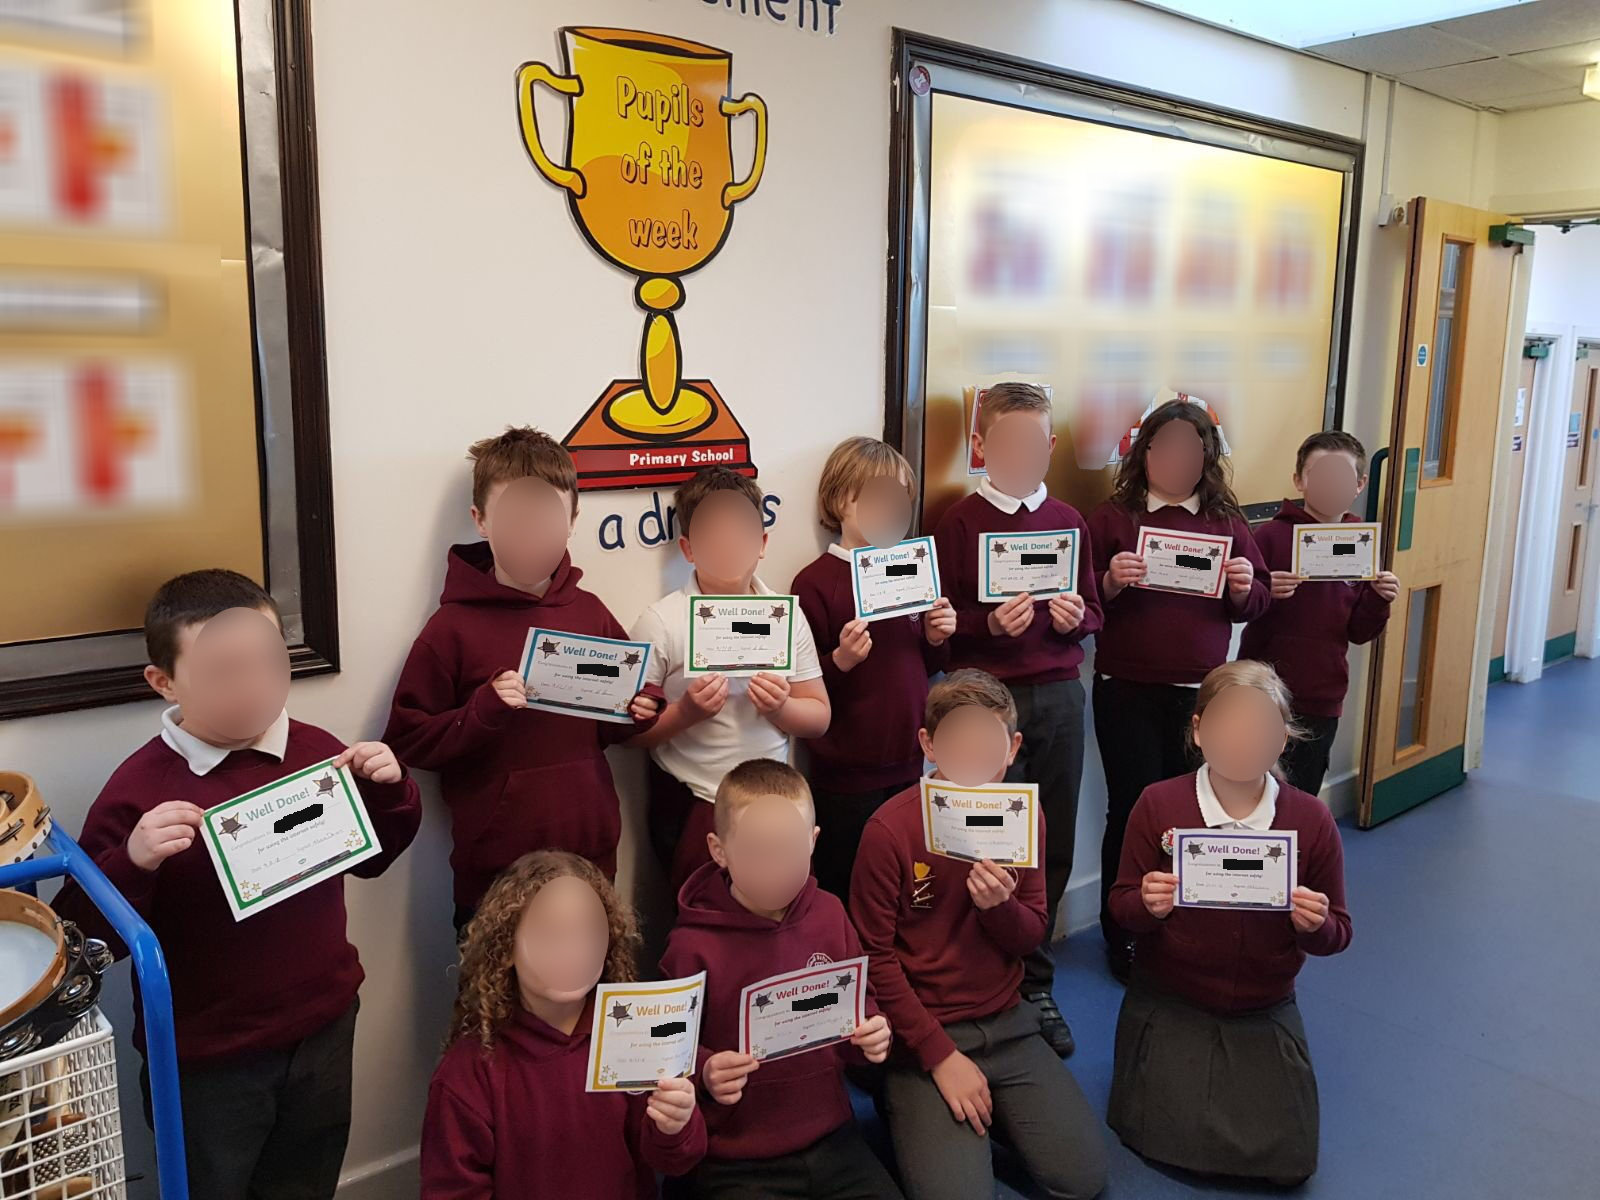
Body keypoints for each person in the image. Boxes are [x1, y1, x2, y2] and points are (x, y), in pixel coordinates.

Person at [55, 569, 421, 1200]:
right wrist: (133, 862)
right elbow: (82, 946)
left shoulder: (316, 752)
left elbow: (372, 861)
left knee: (307, 1181)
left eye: (265, 662)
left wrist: (392, 791)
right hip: (208, 1061)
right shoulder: (138, 790)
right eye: (224, 670)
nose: (253, 686)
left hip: (323, 1029)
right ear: (163, 681)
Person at [384, 426, 662, 930]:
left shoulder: (591, 612)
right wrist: (483, 711)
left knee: (589, 999)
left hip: (589, 862)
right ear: (481, 521)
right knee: (495, 1007)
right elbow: (407, 741)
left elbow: (615, 722)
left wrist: (641, 709)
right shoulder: (451, 629)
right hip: (496, 877)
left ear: (572, 520)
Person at [849, 670, 1108, 1200]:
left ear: (1011, 747)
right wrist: (938, 1056)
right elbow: (873, 958)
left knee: (1083, 1179)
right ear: (928, 744)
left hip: (1006, 1022)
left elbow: (1030, 933)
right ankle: (906, 1098)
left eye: (986, 738)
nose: (971, 752)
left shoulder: (1022, 815)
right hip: (924, 1034)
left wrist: (999, 909)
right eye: (956, 738)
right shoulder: (888, 829)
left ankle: (996, 1112)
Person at [1106, 660, 1352, 1186]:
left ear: (1284, 737)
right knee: (1161, 1135)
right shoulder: (1159, 803)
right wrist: (1146, 906)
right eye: (1227, 724)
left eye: (1260, 727)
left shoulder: (1310, 819)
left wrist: (1316, 923)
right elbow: (1121, 908)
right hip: (1172, 995)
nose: (1242, 740)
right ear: (1197, 731)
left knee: (1288, 1160)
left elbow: (1339, 934)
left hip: (1263, 1002)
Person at [931, 382, 1102, 1056]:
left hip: (1059, 697)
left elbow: (1093, 610)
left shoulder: (1068, 519)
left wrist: (1077, 618)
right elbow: (938, 629)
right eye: (1006, 441)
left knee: (1047, 843)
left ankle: (1035, 982)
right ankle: (974, 979)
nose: (1022, 452)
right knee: (976, 842)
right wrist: (985, 626)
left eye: (1035, 442)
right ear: (980, 446)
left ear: (1051, 446)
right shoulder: (959, 522)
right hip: (982, 701)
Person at [1087, 398, 1270, 981]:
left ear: (1206, 457)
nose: (1177, 459)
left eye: (1192, 448)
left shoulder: (1225, 521)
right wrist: (1109, 582)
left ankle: (1184, 921)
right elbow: (1081, 598)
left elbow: (1259, 598)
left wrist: (1243, 589)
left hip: (1199, 695)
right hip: (1126, 688)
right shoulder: (1114, 518)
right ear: (1145, 453)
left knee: (1191, 813)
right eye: (1165, 446)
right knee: (1131, 811)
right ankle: (1125, 932)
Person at [660, 759, 899, 1198]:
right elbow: (667, 1050)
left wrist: (871, 1034)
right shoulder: (690, 946)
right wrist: (706, 1070)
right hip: (737, 1158)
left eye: (789, 849)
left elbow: (859, 1008)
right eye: (757, 851)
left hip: (832, 1136)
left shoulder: (830, 914)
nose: (776, 867)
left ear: (813, 842)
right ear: (719, 850)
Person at [421, 850, 705, 1197]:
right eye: (551, 933)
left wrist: (676, 1125)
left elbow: (673, 1161)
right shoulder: (470, 1071)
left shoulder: (631, 1041)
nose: (572, 950)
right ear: (507, 946)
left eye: (587, 934)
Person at [630, 467, 829, 894]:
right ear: (687, 547)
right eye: (712, 534)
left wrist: (781, 708)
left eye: (741, 531)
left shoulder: (785, 615)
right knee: (700, 923)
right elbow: (630, 734)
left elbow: (819, 717)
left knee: (780, 914)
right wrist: (686, 713)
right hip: (695, 801)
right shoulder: (661, 621)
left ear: (762, 543)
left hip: (776, 802)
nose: (727, 544)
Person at [793, 437, 954, 898]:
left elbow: (925, 664)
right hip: (846, 775)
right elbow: (806, 680)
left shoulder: (914, 570)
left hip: (910, 762)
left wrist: (938, 638)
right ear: (842, 500)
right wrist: (840, 661)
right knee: (846, 883)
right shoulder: (815, 582)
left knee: (907, 881)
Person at [1239, 430, 1399, 796]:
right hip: (1264, 691)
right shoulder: (1270, 538)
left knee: (1302, 797)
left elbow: (1359, 631)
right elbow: (1240, 606)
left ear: (1359, 484)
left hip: (1322, 695)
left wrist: (1379, 598)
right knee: (1251, 788)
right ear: (1299, 480)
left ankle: (1298, 855)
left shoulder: (1360, 541)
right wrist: (1265, 591)